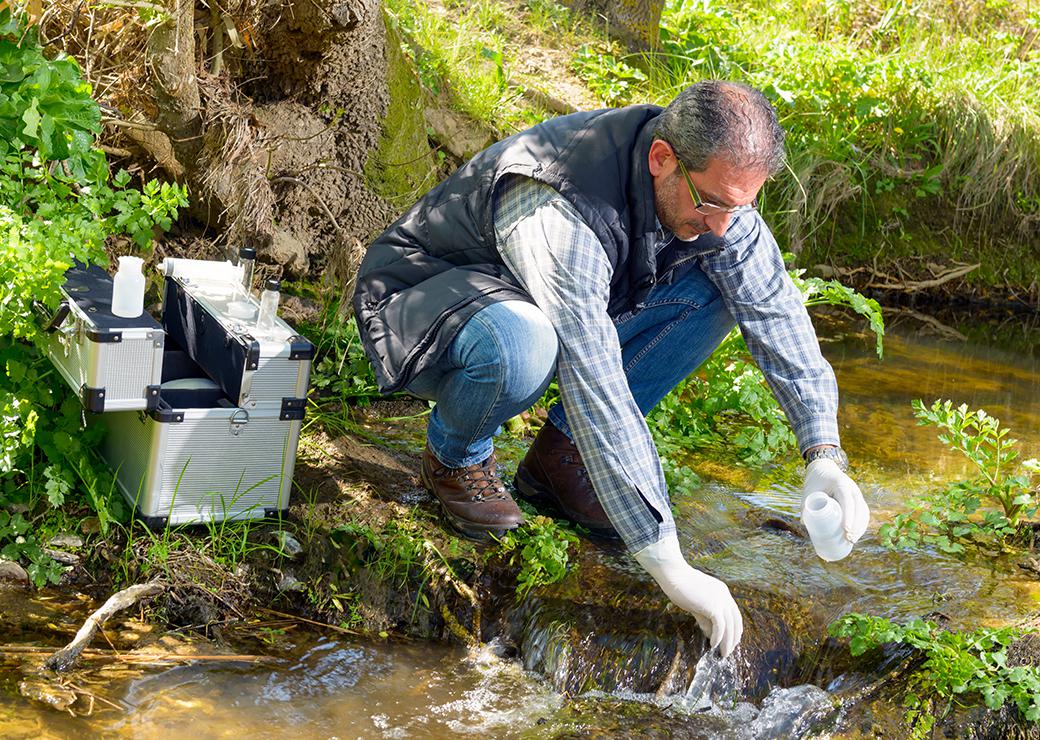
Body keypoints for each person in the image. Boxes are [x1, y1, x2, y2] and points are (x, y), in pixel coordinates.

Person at [352, 80, 870, 658]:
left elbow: (776, 312)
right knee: (525, 344)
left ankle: (559, 461)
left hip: (536, 303)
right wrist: (667, 561)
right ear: (661, 159)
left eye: (740, 207)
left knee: (724, 286)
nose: (724, 225)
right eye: (714, 204)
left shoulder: (711, 192)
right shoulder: (560, 197)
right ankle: (456, 456)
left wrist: (823, 454)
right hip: (426, 300)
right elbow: (593, 370)